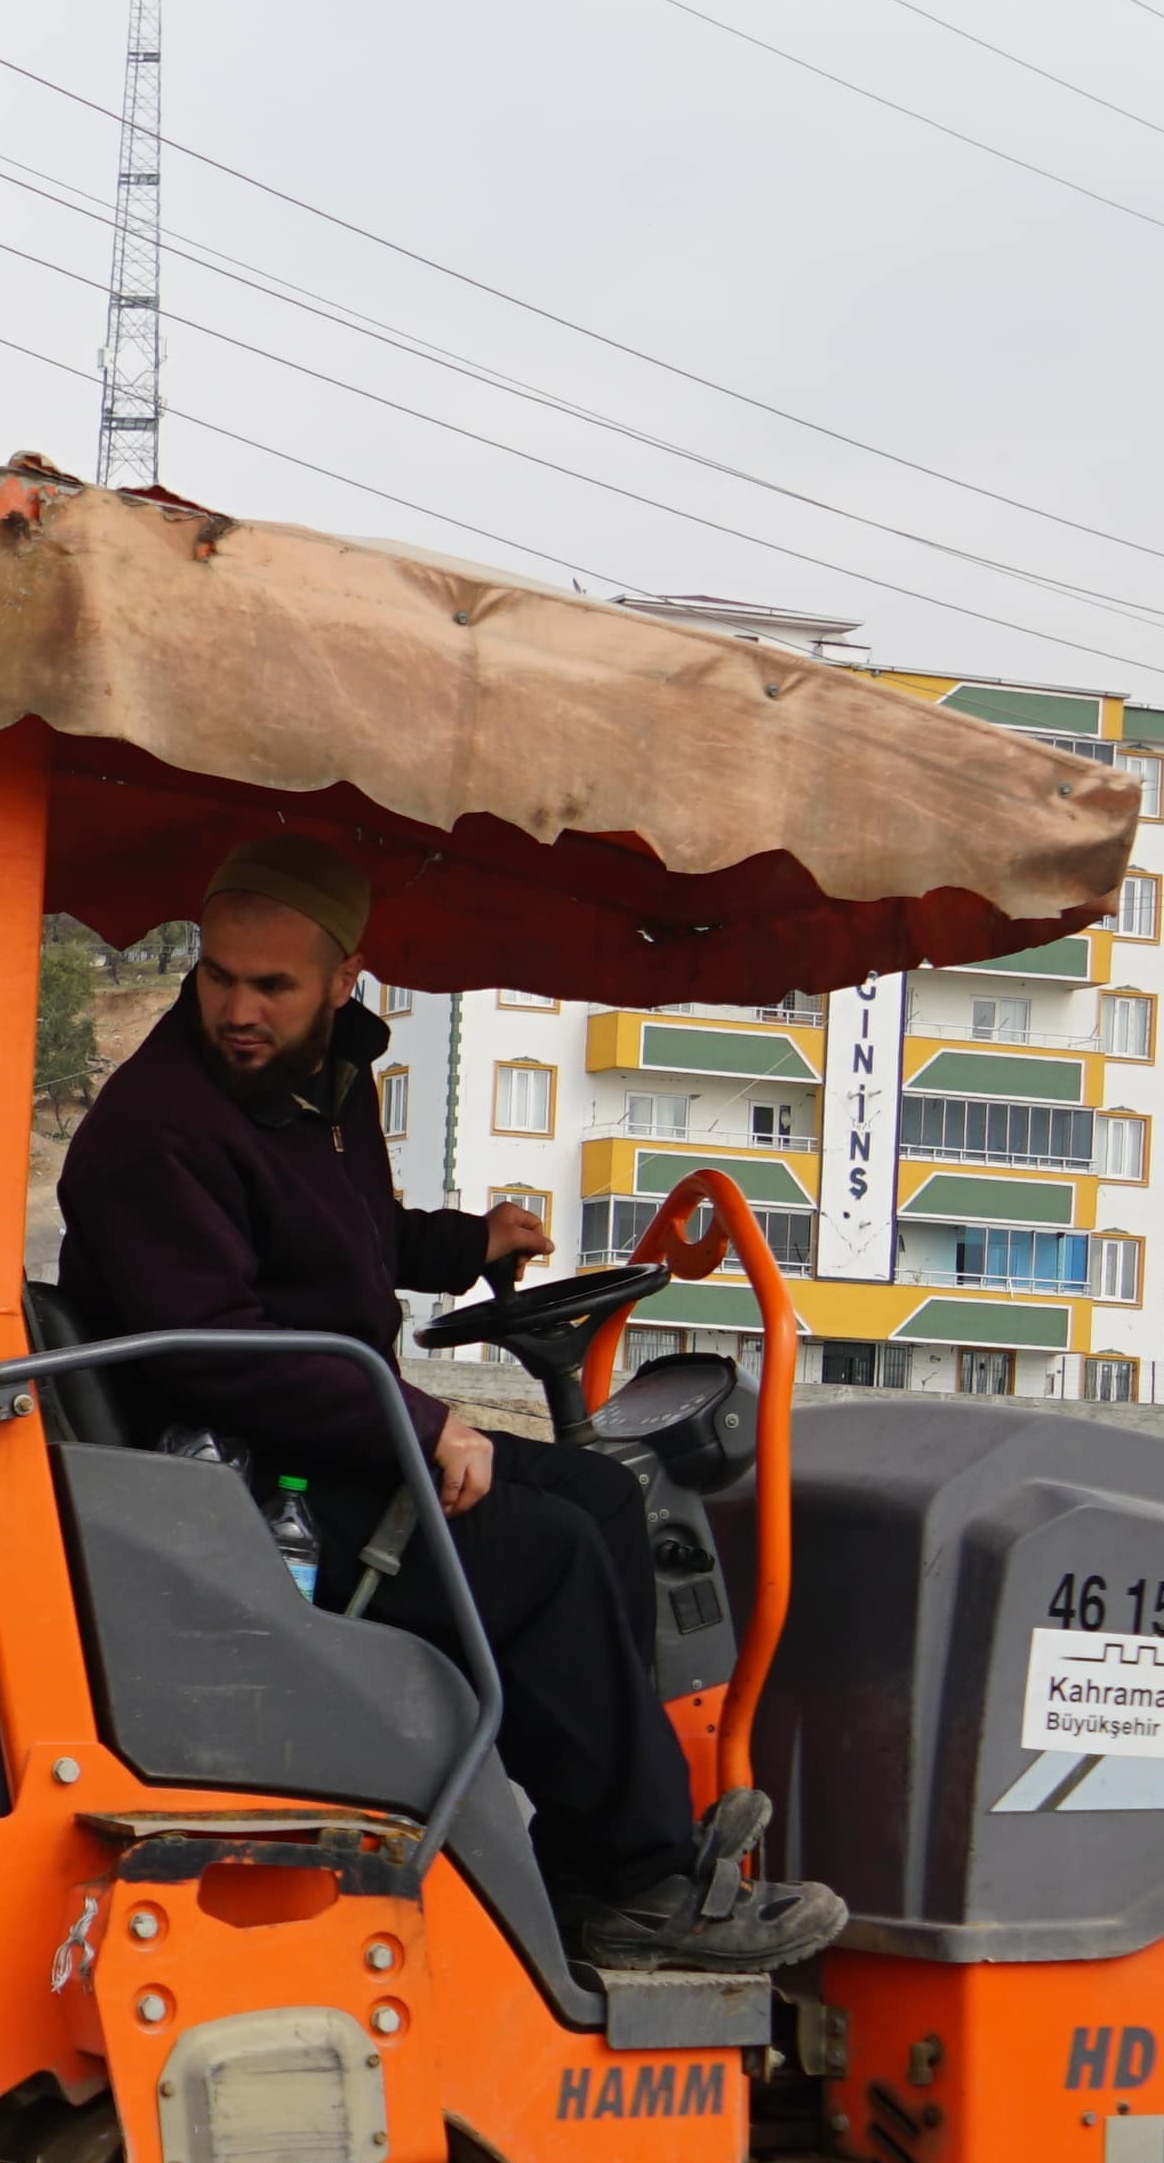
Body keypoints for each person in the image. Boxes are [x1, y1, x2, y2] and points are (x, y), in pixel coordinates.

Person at [52, 834, 823, 1973]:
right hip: (242, 1481)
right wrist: (421, 1424)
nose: (237, 1008)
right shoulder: (156, 1130)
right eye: (218, 976)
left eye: (273, 985)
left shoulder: (322, 1088)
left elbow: (334, 1247)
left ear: (343, 978)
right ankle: (643, 1886)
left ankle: (592, 1861)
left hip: (327, 1432)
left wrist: (467, 1245)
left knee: (605, 1495)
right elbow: (223, 1352)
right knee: (545, 1551)